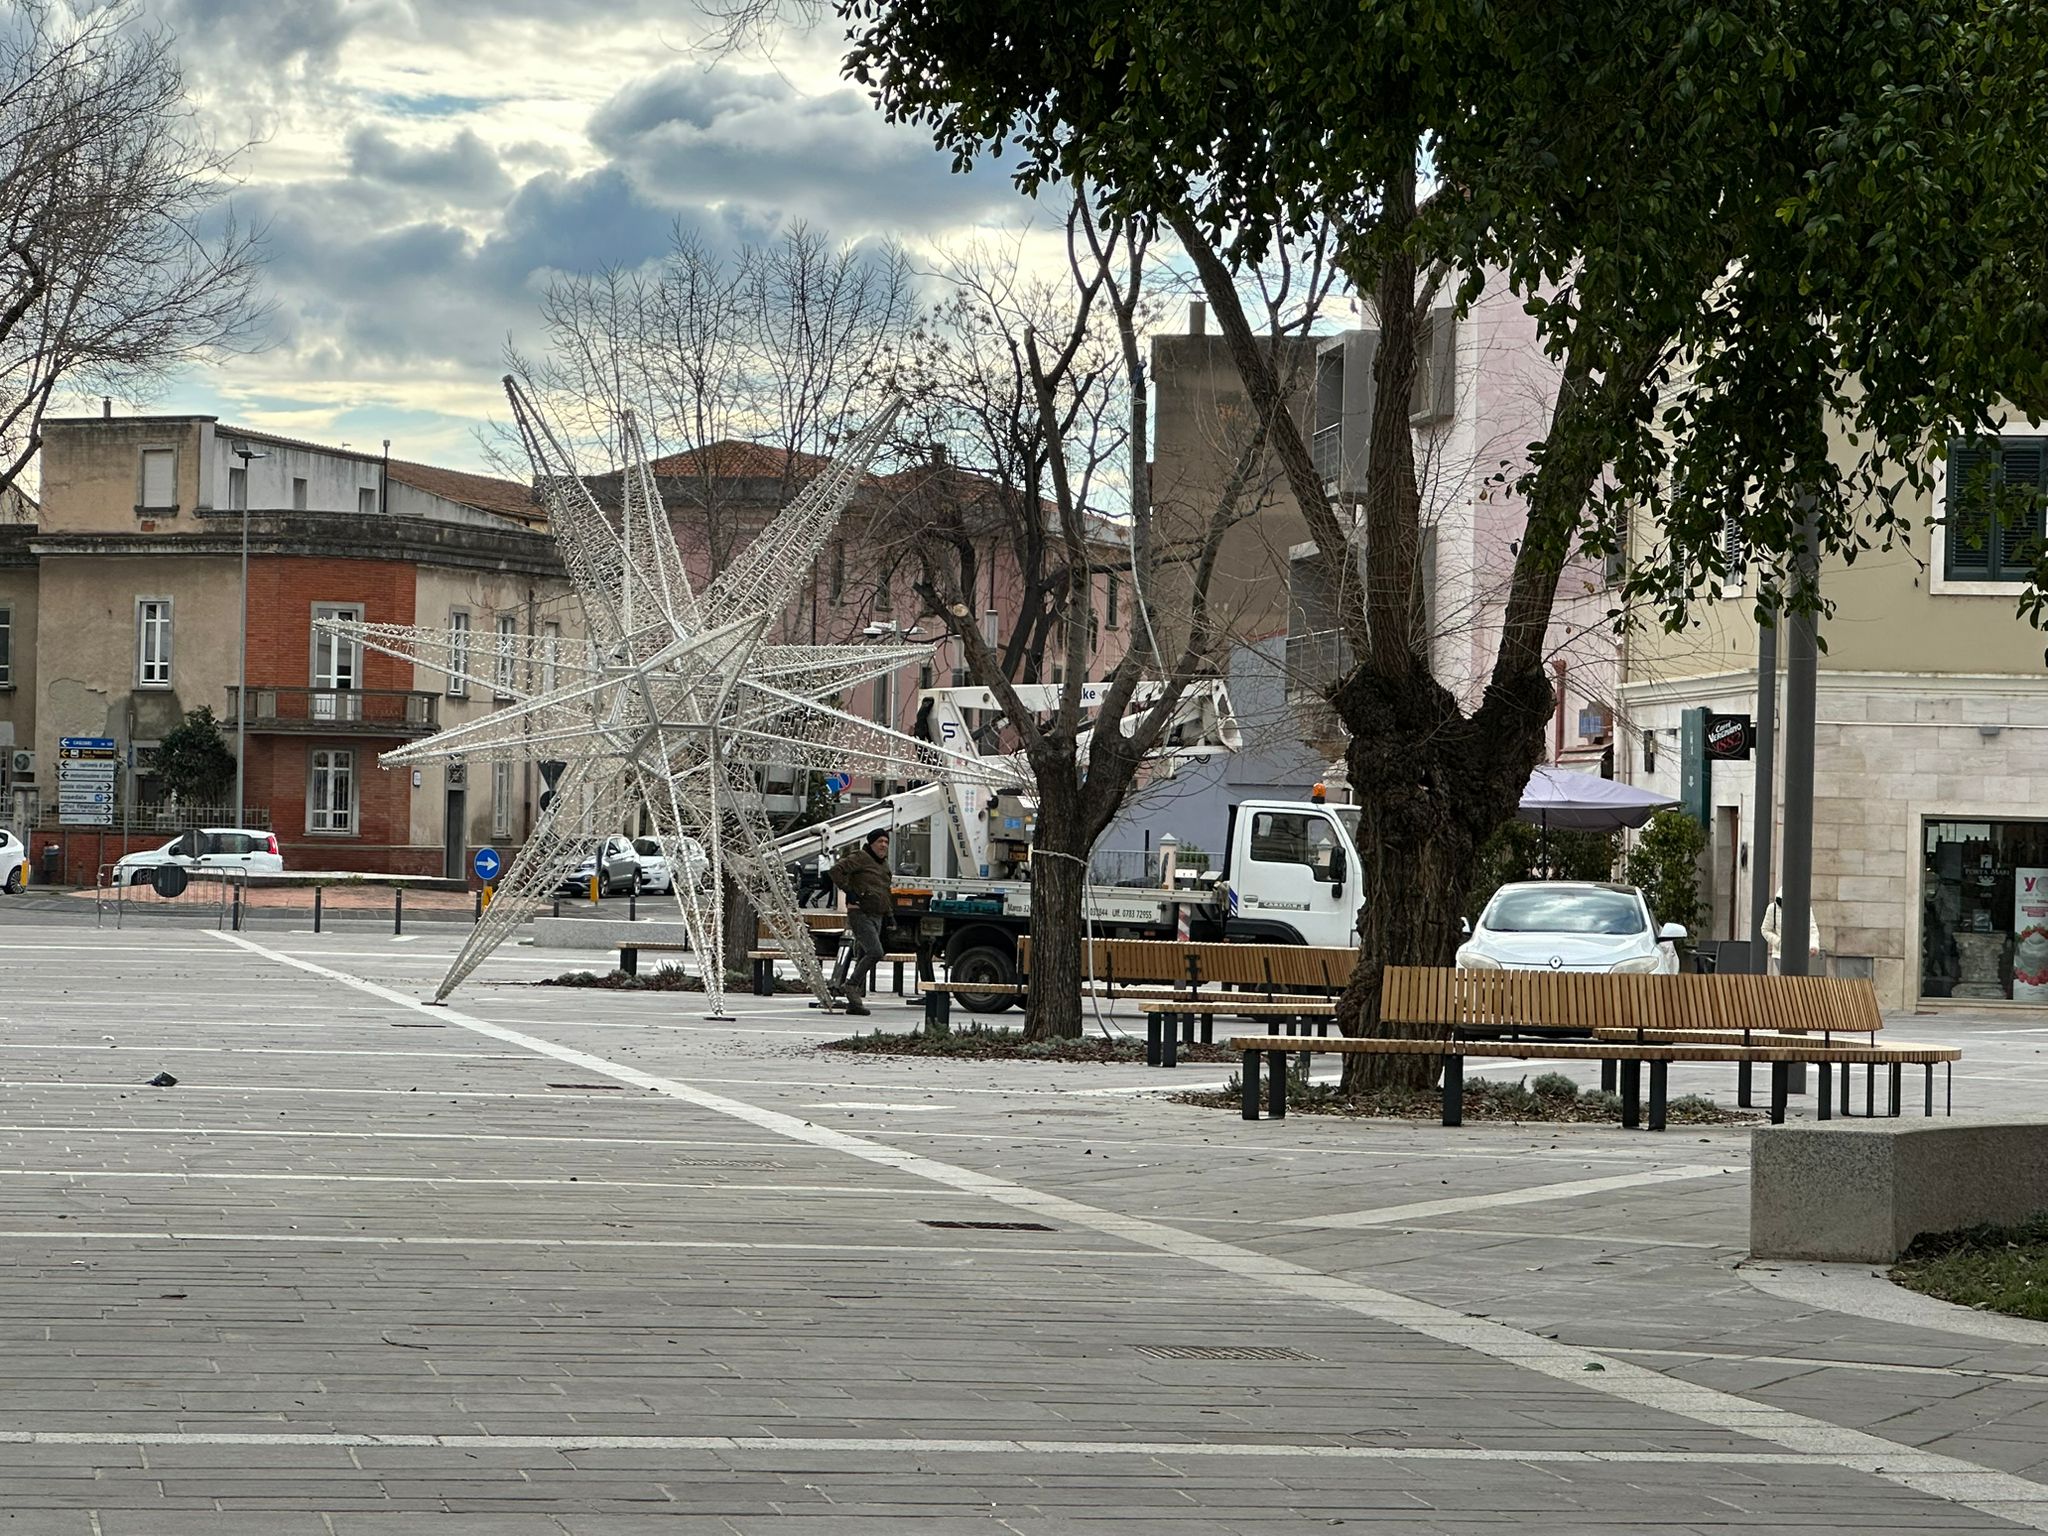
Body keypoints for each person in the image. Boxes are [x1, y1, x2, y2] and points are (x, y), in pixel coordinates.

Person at [829, 829, 893, 1015]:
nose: (883, 845)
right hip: (860, 913)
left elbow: (885, 890)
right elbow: (835, 871)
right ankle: (851, 985)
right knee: (875, 952)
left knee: (864, 954)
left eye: (886, 842)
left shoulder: (884, 866)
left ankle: (854, 1003)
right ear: (871, 843)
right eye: (880, 841)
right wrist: (849, 891)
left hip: (877, 915)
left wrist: (889, 913)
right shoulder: (861, 857)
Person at [1759, 892, 1825, 974]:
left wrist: (1813, 945)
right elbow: (1765, 929)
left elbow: (1812, 929)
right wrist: (1779, 942)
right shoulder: (1773, 908)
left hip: (1800, 954)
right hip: (1780, 954)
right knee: (1787, 980)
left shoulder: (1804, 906)